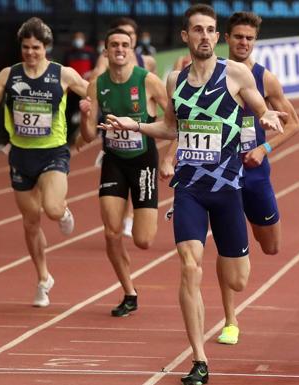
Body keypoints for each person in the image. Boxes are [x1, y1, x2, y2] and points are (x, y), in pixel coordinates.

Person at [99, 4, 287, 384]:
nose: (205, 36)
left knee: (237, 280)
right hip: (190, 188)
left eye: (211, 30)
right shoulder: (174, 81)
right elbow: (170, 129)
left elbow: (262, 110)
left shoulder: (234, 74)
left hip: (228, 189)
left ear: (217, 37)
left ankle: (230, 280)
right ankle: (199, 361)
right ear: (186, 36)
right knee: (189, 265)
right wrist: (133, 124)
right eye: (197, 30)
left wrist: (267, 117)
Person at [0, 17, 88, 308]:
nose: (30, 53)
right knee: (30, 223)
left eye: (36, 47)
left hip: (53, 152)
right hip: (21, 156)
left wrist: (95, 109)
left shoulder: (63, 74)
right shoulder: (8, 75)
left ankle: (62, 213)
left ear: (46, 47)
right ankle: (43, 279)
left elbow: (96, 94)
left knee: (50, 208)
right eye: (26, 47)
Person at [214, 11, 299, 346]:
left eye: (249, 38)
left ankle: (244, 241)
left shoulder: (265, 79)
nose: (243, 43)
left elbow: (294, 123)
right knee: (227, 249)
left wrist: (264, 148)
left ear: (255, 41)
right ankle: (230, 320)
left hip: (256, 173)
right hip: (223, 174)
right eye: (238, 37)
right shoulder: (213, 75)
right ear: (227, 38)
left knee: (272, 246)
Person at [78, 27, 168, 317]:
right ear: (105, 51)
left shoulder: (149, 82)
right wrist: (84, 116)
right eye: (113, 44)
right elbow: (90, 134)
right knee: (112, 232)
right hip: (114, 160)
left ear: (132, 50)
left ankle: (131, 283)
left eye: (125, 45)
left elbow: (176, 122)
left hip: (143, 160)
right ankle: (129, 292)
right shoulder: (97, 84)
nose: (119, 49)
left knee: (143, 240)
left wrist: (170, 159)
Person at [90, 17, 157, 79]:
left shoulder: (148, 61)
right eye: (122, 32)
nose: (127, 37)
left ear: (136, 36)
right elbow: (93, 85)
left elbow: (157, 90)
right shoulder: (105, 59)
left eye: (130, 33)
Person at [63, 31, 97, 144]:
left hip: (85, 89)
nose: (78, 40)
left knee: (87, 113)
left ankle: (87, 135)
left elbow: (96, 69)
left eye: (80, 38)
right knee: (68, 114)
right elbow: (63, 69)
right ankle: (68, 137)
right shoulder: (68, 53)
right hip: (71, 90)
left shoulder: (89, 52)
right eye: (76, 38)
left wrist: (89, 74)